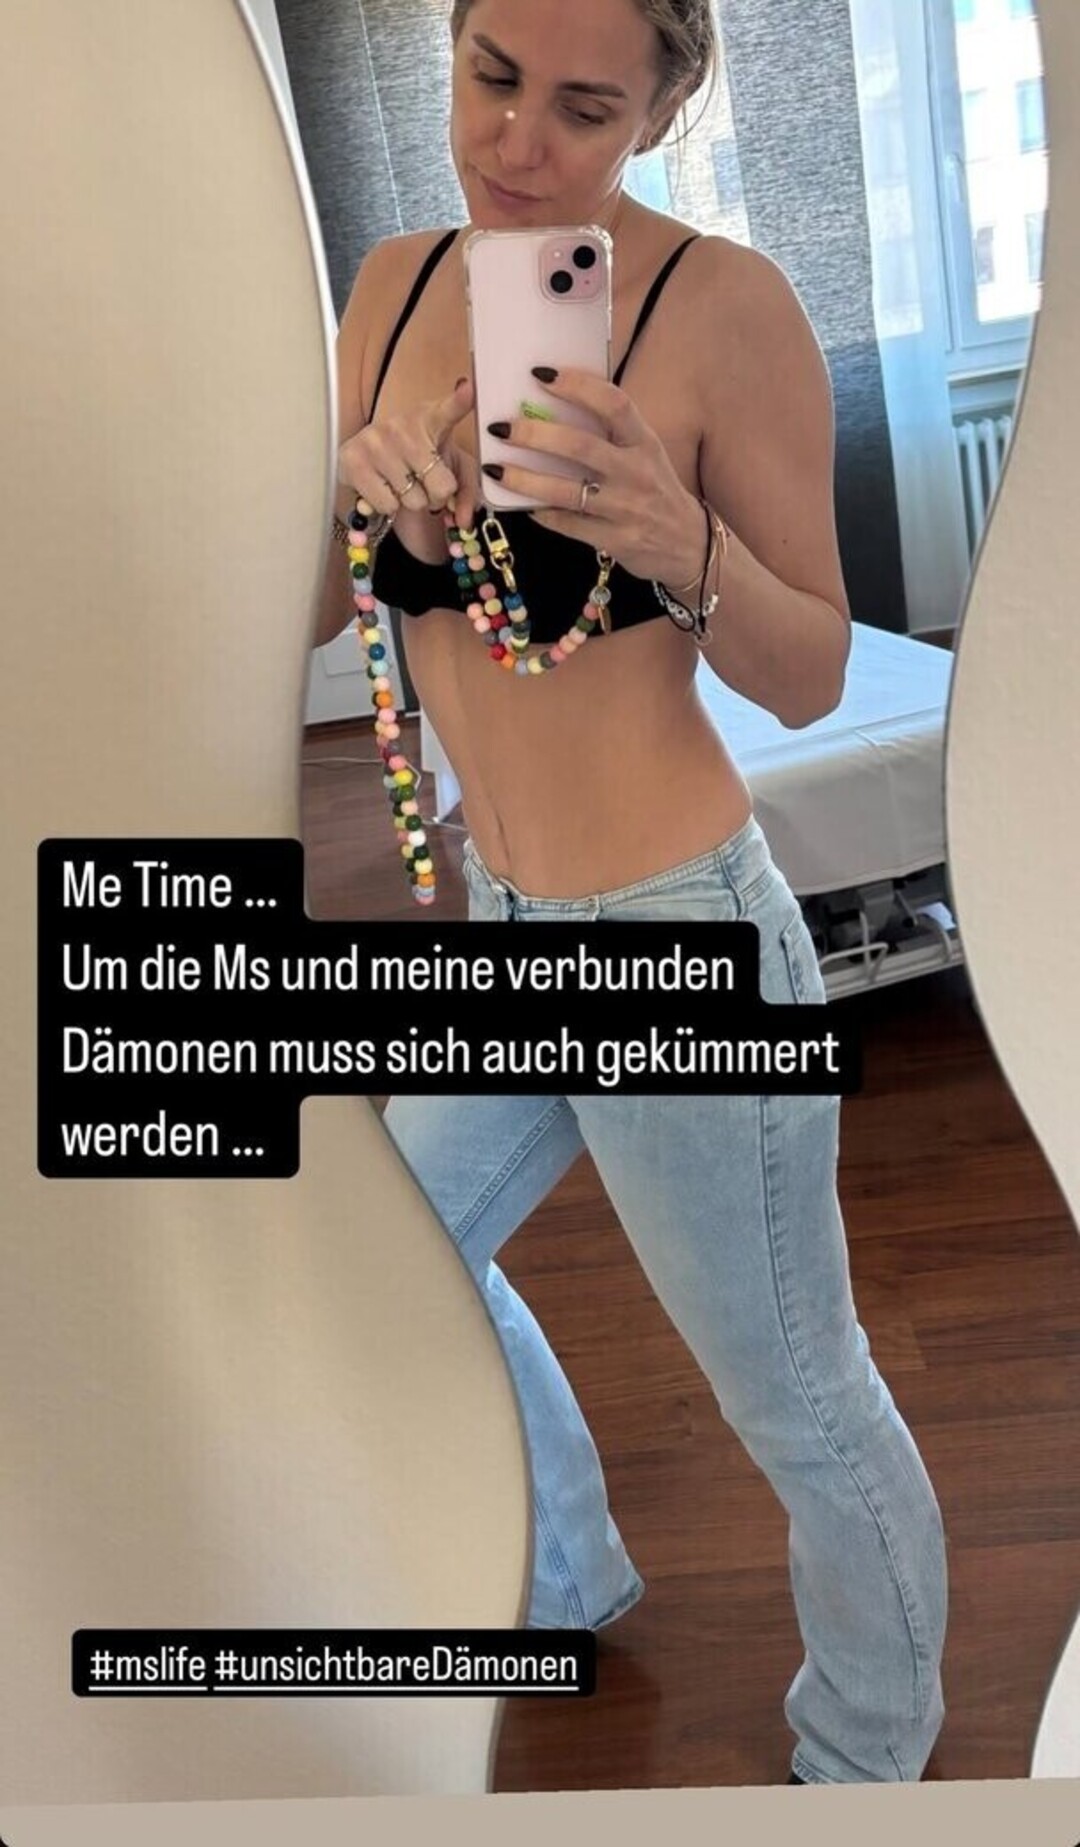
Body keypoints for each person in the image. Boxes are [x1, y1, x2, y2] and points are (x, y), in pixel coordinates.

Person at [316, 0, 947, 1787]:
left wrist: (684, 544)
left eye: (586, 109)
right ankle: (564, 1575)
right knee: (390, 1261)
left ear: (665, 110)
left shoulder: (728, 313)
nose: (518, 146)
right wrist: (382, 513)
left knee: (797, 1394)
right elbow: (340, 610)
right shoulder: (389, 288)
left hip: (677, 929)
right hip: (506, 923)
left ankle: (868, 1762)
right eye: (491, 78)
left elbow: (812, 673)